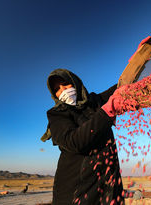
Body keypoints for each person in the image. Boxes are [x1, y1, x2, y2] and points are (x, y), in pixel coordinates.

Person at [41, 69, 127, 205]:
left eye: (65, 84)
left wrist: (141, 59)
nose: (62, 91)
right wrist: (106, 113)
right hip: (76, 188)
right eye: (57, 89)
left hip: (108, 182)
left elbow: (123, 87)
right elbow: (74, 142)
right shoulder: (57, 114)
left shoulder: (95, 102)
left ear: (75, 83)